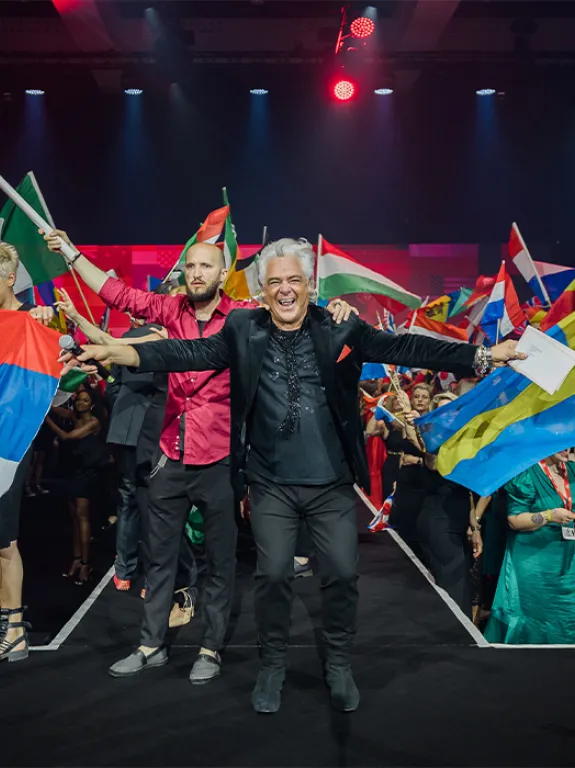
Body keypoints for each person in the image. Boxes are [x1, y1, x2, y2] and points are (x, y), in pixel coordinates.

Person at [76, 237, 523, 712]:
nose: (285, 290)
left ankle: (338, 665)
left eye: (294, 280)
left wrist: (481, 357)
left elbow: (405, 347)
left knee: (343, 575)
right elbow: (186, 354)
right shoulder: (242, 329)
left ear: (310, 285)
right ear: (262, 290)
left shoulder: (340, 326)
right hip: (270, 485)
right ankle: (271, 667)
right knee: (270, 577)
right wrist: (122, 353)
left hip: (331, 484)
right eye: (275, 282)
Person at [44, 228, 353, 685]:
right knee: (160, 557)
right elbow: (116, 293)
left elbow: (295, 309)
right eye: (189, 266)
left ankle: (210, 647)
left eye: (205, 265)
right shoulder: (170, 309)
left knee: (219, 561)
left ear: (223, 274)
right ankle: (151, 644)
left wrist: (339, 310)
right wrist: (71, 253)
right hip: (171, 452)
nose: (195, 273)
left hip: (222, 458)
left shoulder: (246, 317)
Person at [0, 241, 54, 663]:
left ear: (7, 278)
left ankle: (14, 628)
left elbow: (54, 391)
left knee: (3, 542)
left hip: (7, 447)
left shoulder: (29, 321)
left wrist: (44, 324)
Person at [484, 450, 575, 644]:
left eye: (570, 445)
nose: (567, 449)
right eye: (561, 445)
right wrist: (549, 516)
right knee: (533, 620)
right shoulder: (527, 473)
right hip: (533, 563)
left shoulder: (572, 471)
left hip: (567, 562)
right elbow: (514, 520)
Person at [412, 392, 483, 617]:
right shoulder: (432, 444)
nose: (449, 416)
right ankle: (455, 641)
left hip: (458, 522)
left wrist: (475, 528)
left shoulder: (463, 444)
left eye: (453, 410)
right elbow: (432, 464)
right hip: (439, 523)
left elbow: (467, 492)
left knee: (460, 584)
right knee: (452, 587)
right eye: (442, 411)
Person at [46, 388, 108, 584]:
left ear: (92, 404)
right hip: (73, 471)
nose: (80, 403)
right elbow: (56, 409)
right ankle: (76, 559)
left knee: (82, 517)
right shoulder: (74, 415)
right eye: (79, 400)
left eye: (85, 400)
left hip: (87, 474)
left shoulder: (93, 423)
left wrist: (46, 421)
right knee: (74, 517)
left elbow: (68, 437)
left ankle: (85, 562)